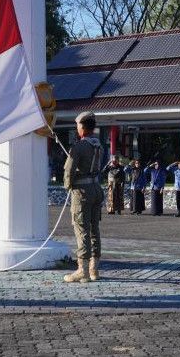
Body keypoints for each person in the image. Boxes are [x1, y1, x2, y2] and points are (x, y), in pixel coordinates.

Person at [63, 111, 104, 282]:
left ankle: (83, 271)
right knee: (94, 229)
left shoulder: (79, 146)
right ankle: (94, 270)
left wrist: (68, 186)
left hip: (82, 192)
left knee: (82, 230)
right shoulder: (98, 145)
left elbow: (68, 170)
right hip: (96, 189)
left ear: (81, 126)